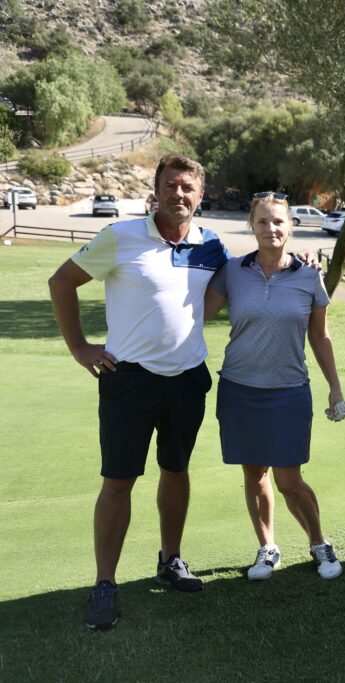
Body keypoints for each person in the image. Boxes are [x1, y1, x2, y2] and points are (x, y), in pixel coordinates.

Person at [49, 155, 228, 630]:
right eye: (171, 185)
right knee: (119, 481)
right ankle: (105, 583)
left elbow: (233, 284)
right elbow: (62, 282)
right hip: (129, 379)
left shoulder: (211, 245)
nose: (179, 194)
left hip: (187, 378)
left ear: (200, 195)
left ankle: (170, 560)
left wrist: (300, 260)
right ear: (157, 190)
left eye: (188, 187)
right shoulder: (120, 237)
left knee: (176, 470)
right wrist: (80, 348)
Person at [204, 193, 345, 581]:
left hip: (287, 391)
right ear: (252, 225)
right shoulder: (234, 271)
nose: (271, 229)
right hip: (239, 388)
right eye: (263, 222)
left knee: (289, 480)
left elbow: (320, 337)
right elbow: (194, 314)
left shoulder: (309, 275)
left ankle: (318, 542)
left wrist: (335, 388)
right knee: (253, 473)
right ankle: (267, 547)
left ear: (291, 227)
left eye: (278, 222)